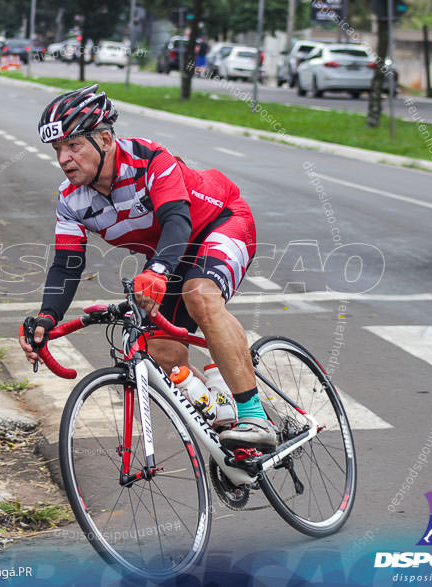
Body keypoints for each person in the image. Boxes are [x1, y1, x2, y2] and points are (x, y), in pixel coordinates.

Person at [19, 85, 278, 451]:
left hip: (219, 222)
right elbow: (67, 263)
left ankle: (255, 416)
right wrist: (46, 318)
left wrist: (156, 271)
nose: (64, 158)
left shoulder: (151, 158)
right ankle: (224, 412)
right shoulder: (70, 199)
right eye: (58, 149)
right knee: (159, 351)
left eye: (73, 145)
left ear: (105, 139)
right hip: (171, 253)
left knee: (199, 295)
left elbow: (177, 221)